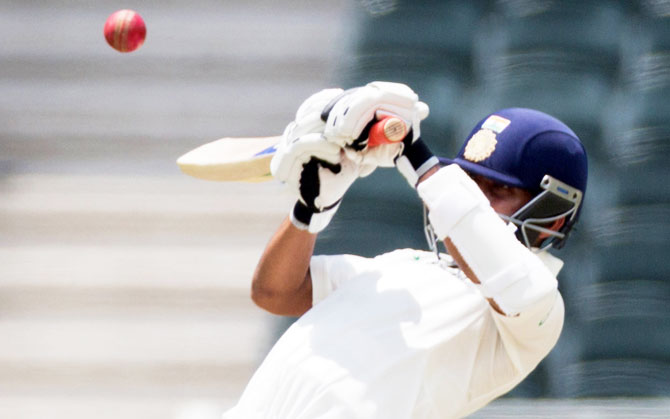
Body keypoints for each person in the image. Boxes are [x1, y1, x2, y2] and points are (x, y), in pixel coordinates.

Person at [222, 82, 588, 418]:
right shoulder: (403, 264)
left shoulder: (540, 304)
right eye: (469, 182)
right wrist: (311, 209)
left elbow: (493, 264)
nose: (475, 196)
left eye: (498, 190)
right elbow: (275, 292)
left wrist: (410, 152)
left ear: (553, 215)